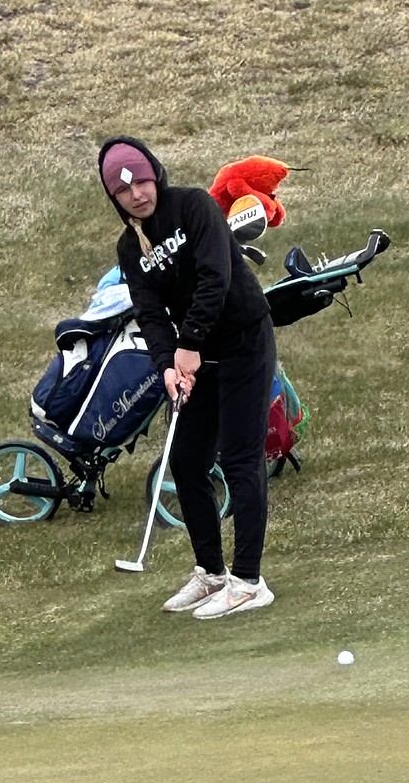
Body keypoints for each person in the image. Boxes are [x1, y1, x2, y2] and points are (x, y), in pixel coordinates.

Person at [98, 136, 277, 619]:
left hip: (242, 339)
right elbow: (151, 314)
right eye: (124, 191)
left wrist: (191, 344)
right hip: (197, 356)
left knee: (240, 459)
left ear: (154, 173)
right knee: (187, 459)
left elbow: (214, 277)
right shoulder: (129, 248)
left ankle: (248, 581)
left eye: (142, 182)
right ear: (114, 198)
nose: (138, 195)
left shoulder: (194, 206)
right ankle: (212, 573)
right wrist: (167, 367)